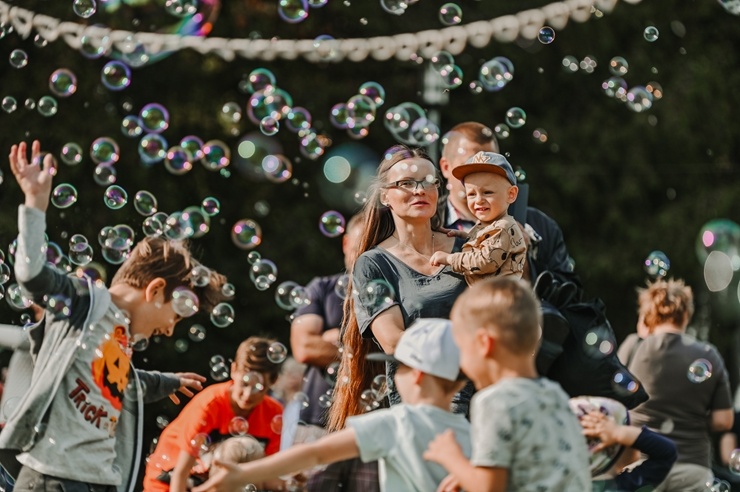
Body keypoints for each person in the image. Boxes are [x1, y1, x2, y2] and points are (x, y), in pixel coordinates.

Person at [0, 141, 226, 492]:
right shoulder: (81, 302)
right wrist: (34, 203)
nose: (169, 329)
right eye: (176, 315)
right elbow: (31, 277)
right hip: (53, 477)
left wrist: (168, 382)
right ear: (155, 291)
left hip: (98, 480)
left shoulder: (120, 334)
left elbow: (122, 381)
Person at [192, 318, 472, 492]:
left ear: (417, 375)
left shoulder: (396, 423)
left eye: (397, 369)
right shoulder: (471, 436)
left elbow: (315, 453)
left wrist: (243, 473)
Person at [327, 145, 468, 432]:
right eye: (406, 183)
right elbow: (393, 341)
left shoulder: (468, 249)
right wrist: (470, 349)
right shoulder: (373, 264)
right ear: (384, 196)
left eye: (429, 182)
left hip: (484, 399)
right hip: (422, 410)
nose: (420, 190)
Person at [424, 277, 591, 492]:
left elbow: (488, 489)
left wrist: (453, 459)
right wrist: (471, 475)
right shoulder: (555, 394)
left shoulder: (494, 401)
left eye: (461, 349)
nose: (461, 362)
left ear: (484, 343)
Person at [289, 213, 381, 492]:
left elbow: (388, 346)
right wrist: (358, 343)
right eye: (359, 244)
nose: (364, 252)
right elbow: (304, 348)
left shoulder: (387, 293)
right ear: (345, 243)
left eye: (371, 245)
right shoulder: (322, 288)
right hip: (317, 423)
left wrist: (332, 339)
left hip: (370, 428)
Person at [617, 278, 733, 491]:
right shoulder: (708, 354)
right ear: (686, 314)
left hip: (642, 467)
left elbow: (613, 403)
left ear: (647, 315)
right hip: (693, 468)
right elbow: (724, 421)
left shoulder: (633, 347)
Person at [438, 121, 579, 287]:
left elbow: (570, 295)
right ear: (446, 167)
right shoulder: (428, 221)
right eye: (471, 166)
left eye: (493, 165)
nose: (483, 175)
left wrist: (524, 263)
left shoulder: (538, 225)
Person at [143, 336, 285, 492]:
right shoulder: (211, 405)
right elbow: (180, 474)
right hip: (169, 481)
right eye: (244, 383)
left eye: (258, 387)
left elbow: (266, 476)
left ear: (273, 381)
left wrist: (292, 483)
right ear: (233, 370)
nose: (247, 394)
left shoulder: (274, 413)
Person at [430, 151, 526, 284]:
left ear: (511, 194)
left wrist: (449, 259)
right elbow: (484, 241)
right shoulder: (489, 225)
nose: (479, 200)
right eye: (471, 194)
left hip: (498, 298)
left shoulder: (503, 227)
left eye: (487, 192)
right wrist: (462, 235)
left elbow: (484, 261)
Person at [580, 408, 677, 491]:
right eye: (627, 427)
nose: (636, 429)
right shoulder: (623, 487)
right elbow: (666, 453)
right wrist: (618, 432)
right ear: (610, 445)